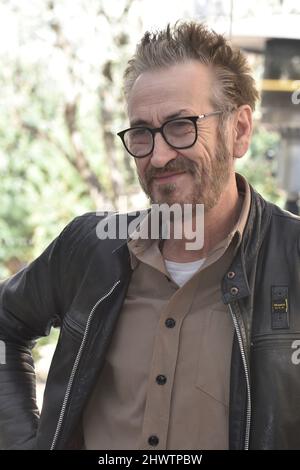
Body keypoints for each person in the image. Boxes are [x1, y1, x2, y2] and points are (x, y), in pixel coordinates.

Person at [0, 21, 300, 451]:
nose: (159, 156)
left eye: (181, 126)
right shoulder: (92, 249)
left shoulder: (291, 258)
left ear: (239, 130)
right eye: (142, 133)